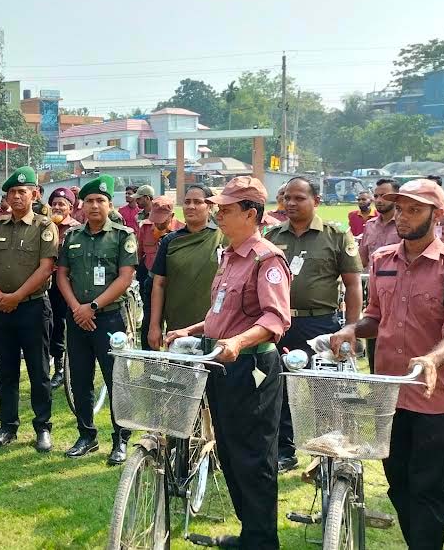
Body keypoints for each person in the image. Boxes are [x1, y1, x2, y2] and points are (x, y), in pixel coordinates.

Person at [330, 178, 444, 550]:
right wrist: (352, 329)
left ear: (439, 214)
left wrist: (431, 358)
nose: (403, 216)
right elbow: (374, 317)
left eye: (415, 209)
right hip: (386, 393)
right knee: (397, 481)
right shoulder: (382, 261)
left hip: (433, 394)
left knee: (428, 487)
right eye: (400, 208)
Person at [163, 175, 291, 549]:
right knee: (230, 453)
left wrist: (236, 340)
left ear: (251, 214)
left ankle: (263, 540)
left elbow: (274, 319)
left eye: (227, 209)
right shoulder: (230, 256)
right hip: (221, 363)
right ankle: (251, 532)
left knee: (253, 457)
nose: (219, 214)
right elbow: (223, 313)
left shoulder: (267, 259)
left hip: (250, 368)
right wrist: (192, 328)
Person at [265, 176, 362, 472]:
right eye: (287, 198)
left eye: (299, 198)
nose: (291, 203)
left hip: (320, 325)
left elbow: (353, 286)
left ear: (316, 201)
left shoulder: (336, 235)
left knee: (324, 392)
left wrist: (351, 330)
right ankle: (284, 451)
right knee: (278, 388)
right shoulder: (272, 237)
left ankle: (326, 454)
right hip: (279, 324)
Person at [56, 174, 136, 465]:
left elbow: (125, 277)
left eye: (100, 200)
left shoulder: (122, 236)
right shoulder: (72, 237)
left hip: (109, 319)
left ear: (109, 204)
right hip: (77, 318)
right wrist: (78, 307)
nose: (94, 206)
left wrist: (92, 305)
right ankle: (86, 435)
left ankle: (121, 438)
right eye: (89, 201)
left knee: (117, 380)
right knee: (80, 379)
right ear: (82, 205)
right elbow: (61, 274)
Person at [0, 167, 58, 453]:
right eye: (11, 192)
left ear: (34, 194)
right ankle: (7, 426)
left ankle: (43, 428)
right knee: (6, 370)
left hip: (33, 308)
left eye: (22, 192)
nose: (16, 197)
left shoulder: (44, 227)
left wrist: (16, 296)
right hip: (1, 309)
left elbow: (46, 267)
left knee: (39, 371)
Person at [147, 184, 223, 349]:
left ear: (209, 206)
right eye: (187, 202)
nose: (191, 206)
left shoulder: (223, 237)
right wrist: (154, 325)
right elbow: (159, 284)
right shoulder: (170, 241)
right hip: (178, 325)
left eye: (197, 202)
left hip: (215, 325)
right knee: (180, 373)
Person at [359, 177, 402, 372]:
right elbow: (362, 260)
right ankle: (375, 379)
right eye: (376, 196)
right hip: (374, 292)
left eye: (384, 195)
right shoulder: (370, 226)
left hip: (401, 290)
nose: (379, 199)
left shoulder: (405, 225)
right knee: (373, 333)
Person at [135, 196, 183, 349]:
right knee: (149, 323)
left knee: (176, 325)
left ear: (172, 216)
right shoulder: (145, 228)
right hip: (151, 280)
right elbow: (139, 253)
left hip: (174, 285)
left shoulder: (183, 231)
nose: (158, 224)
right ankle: (150, 366)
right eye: (155, 220)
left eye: (162, 221)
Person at [46, 187, 82, 389]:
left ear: (70, 207)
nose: (57, 207)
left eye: (62, 204)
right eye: (54, 204)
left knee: (61, 322)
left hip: (68, 283)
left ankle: (61, 367)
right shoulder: (45, 226)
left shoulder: (76, 229)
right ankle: (53, 362)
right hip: (46, 281)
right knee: (49, 323)